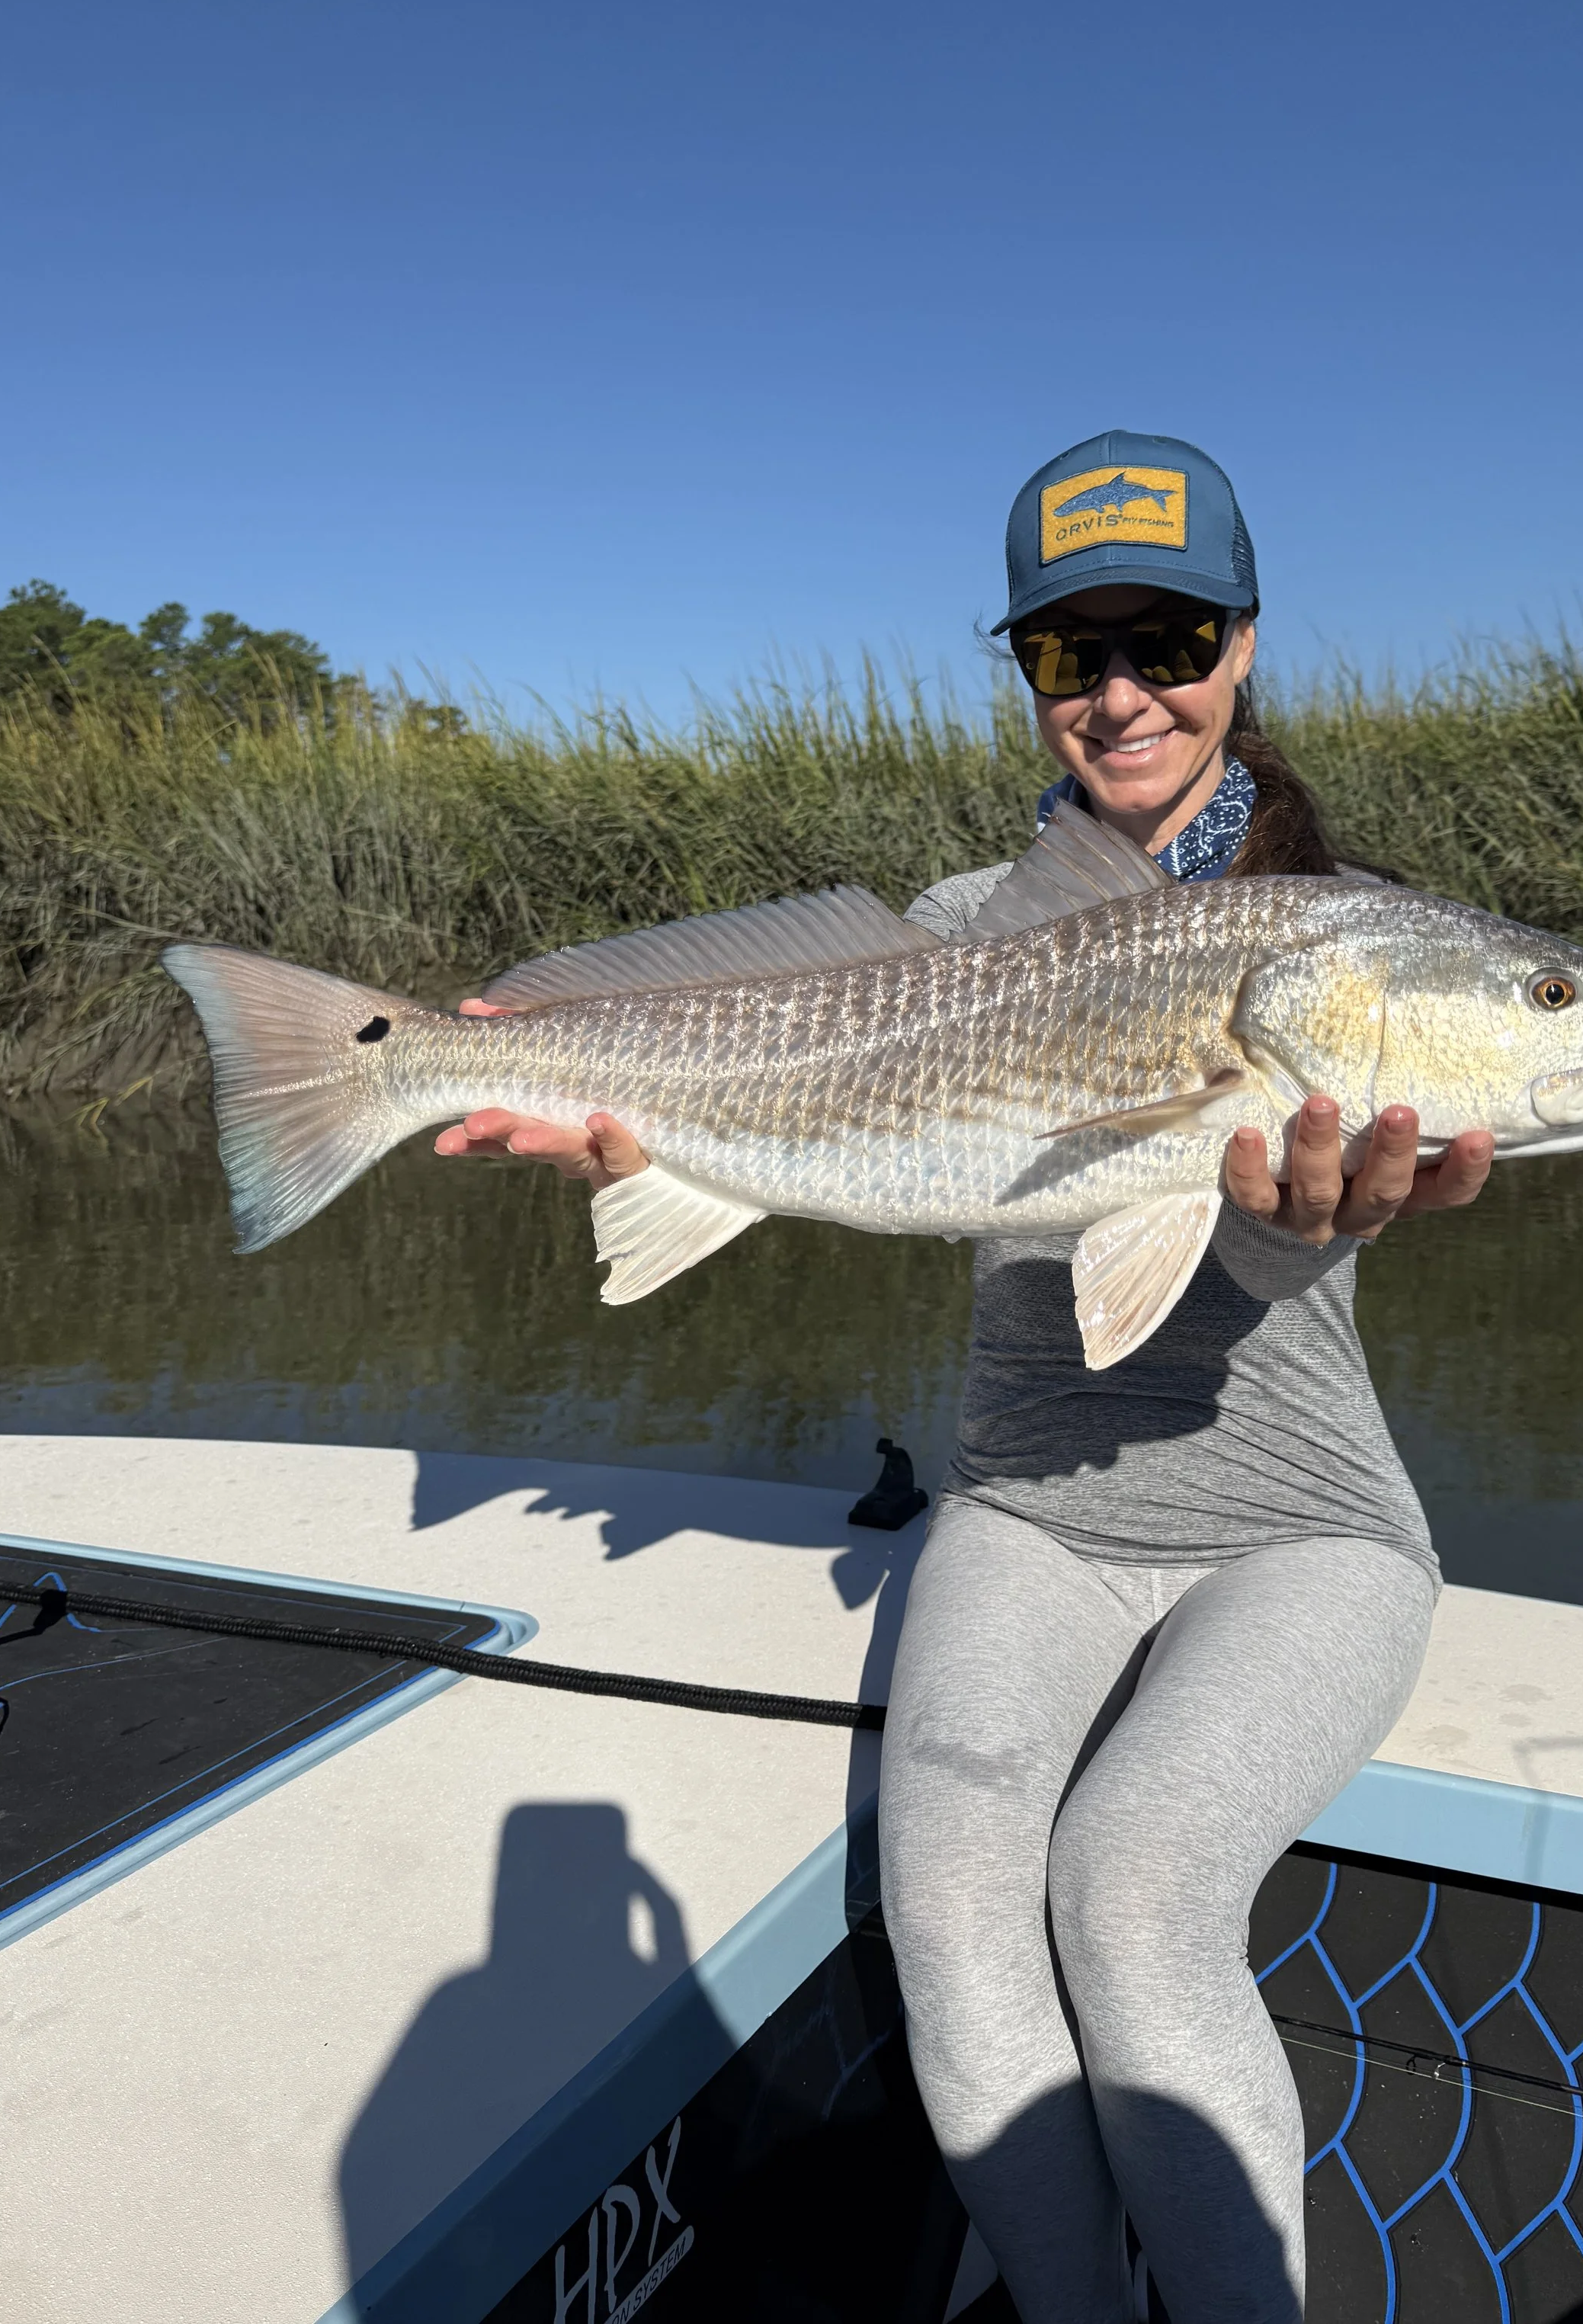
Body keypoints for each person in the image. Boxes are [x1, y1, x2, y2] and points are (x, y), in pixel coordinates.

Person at [434, 431, 1493, 2323]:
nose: (1119, 694)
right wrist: (639, 1132)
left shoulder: (1346, 941)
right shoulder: (944, 934)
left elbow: (1218, 1245)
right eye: (1066, 654)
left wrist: (1314, 1222)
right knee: (944, 1905)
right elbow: (772, 1097)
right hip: (1028, 1503)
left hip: (1299, 1522)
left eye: (1162, 638)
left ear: (1240, 645)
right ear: (1022, 674)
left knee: (1134, 1888)